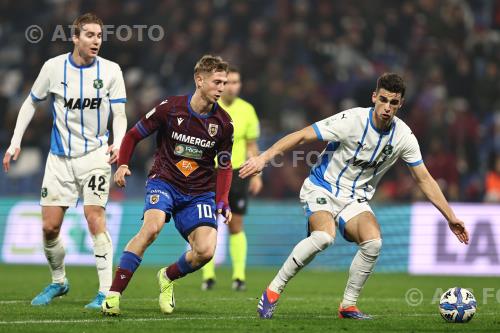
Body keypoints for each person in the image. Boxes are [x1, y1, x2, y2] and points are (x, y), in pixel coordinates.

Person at [239, 73, 469, 319]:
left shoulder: (404, 136)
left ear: (400, 104)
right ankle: (272, 292)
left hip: (355, 199)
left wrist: (450, 217)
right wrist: (264, 157)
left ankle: (348, 305)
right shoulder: (351, 120)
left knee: (374, 243)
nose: (387, 107)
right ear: (374, 97)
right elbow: (302, 135)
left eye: (394, 103)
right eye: (383, 100)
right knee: (324, 238)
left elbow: (423, 178)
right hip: (321, 188)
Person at [2, 13, 127, 309]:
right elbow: (31, 102)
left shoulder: (111, 70)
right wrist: (15, 141)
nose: (96, 41)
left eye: (99, 36)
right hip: (59, 160)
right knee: (49, 228)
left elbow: (120, 114)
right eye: (90, 35)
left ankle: (106, 292)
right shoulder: (53, 68)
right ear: (75, 38)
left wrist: (118, 143)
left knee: (94, 217)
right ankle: (59, 281)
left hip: (96, 155)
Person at [101, 55, 234, 316]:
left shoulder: (224, 124)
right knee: (151, 228)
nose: (222, 88)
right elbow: (133, 135)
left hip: (199, 193)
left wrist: (223, 199)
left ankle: (167, 276)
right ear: (199, 80)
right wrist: (124, 164)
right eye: (217, 82)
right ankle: (113, 294)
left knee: (205, 251)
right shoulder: (169, 108)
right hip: (165, 181)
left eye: (224, 83)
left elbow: (225, 165)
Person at [201, 66, 261, 291]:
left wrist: (257, 174)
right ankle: (207, 275)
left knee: (236, 224)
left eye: (237, 82)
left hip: (237, 173)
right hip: (210, 171)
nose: (233, 86)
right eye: (229, 82)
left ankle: (238, 276)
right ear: (221, 84)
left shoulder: (248, 110)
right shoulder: (208, 108)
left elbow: (252, 145)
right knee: (208, 223)